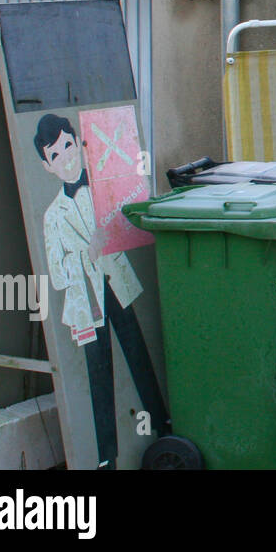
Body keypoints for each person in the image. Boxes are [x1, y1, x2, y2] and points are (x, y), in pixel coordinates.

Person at [34, 113, 169, 469]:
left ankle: (163, 425)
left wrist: (106, 238)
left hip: (115, 285)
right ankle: (105, 457)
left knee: (138, 354)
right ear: (46, 166)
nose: (66, 158)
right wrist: (85, 252)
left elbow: (131, 223)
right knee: (98, 372)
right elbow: (58, 275)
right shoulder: (53, 216)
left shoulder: (103, 186)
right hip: (85, 301)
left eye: (68, 146)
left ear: (79, 142)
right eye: (55, 155)